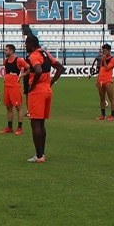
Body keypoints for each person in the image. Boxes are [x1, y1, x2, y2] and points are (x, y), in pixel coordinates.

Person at [24, 34, 64, 163]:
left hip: (37, 92)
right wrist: (50, 83)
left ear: (31, 44)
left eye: (26, 43)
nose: (25, 46)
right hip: (47, 90)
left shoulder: (34, 55)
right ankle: (42, 153)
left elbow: (38, 70)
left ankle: (39, 156)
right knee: (41, 123)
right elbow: (60, 68)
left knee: (35, 123)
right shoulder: (46, 53)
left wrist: (33, 85)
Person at [1, 44, 25, 135]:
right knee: (8, 107)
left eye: (6, 50)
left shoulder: (18, 60)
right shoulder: (6, 61)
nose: (5, 52)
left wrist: (22, 75)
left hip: (15, 87)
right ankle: (9, 127)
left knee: (18, 107)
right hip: (7, 86)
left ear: (11, 51)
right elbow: (6, 70)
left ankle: (19, 128)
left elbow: (28, 68)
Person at [94, 44, 114, 121]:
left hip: (108, 80)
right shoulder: (102, 59)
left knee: (111, 98)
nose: (104, 52)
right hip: (101, 80)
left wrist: (103, 60)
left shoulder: (112, 59)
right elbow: (101, 69)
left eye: (105, 51)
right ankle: (103, 115)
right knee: (102, 98)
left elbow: (107, 68)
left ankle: (112, 115)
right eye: (103, 51)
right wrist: (98, 80)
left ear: (109, 50)